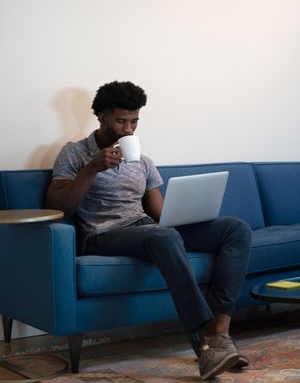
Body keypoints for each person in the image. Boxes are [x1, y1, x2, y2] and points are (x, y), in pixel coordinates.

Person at [46, 81, 252, 380]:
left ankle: (221, 335)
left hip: (146, 229)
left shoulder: (142, 160)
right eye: (121, 121)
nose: (128, 129)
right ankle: (203, 342)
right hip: (103, 235)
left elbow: (160, 214)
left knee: (235, 229)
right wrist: (91, 169)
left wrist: (193, 213)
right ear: (101, 116)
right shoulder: (75, 154)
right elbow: (58, 206)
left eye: (134, 121)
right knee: (164, 236)